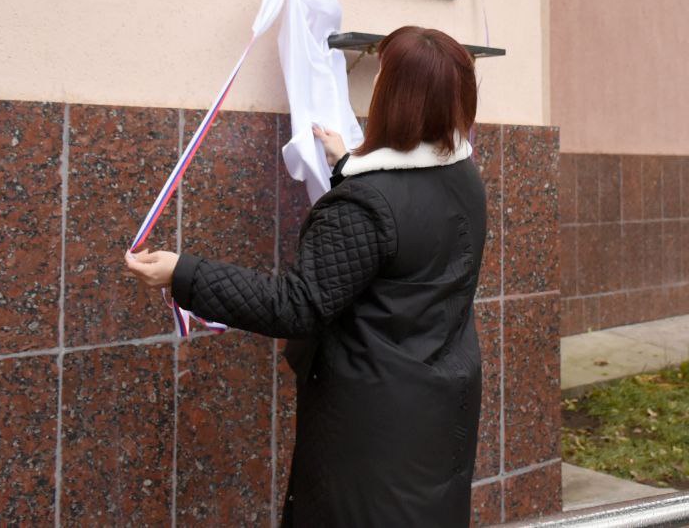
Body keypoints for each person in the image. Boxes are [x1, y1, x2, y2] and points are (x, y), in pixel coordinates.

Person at [124, 26, 485, 527]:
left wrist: (183, 274)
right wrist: (348, 167)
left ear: (395, 99)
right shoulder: (463, 177)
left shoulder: (366, 206)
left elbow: (297, 304)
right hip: (436, 419)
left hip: (372, 440)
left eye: (381, 79)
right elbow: (404, 240)